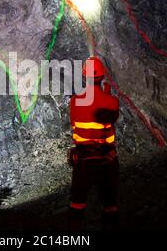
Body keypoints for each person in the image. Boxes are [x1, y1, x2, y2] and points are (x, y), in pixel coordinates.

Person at [68, 57, 120, 230]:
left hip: (83, 160)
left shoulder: (75, 102)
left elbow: (77, 122)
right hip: (107, 159)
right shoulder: (112, 102)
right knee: (110, 206)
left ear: (85, 77)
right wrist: (106, 94)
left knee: (77, 204)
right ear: (102, 77)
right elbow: (111, 115)